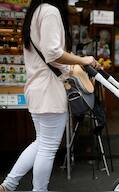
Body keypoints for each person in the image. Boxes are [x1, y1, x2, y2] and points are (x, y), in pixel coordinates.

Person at [0, 0, 100, 191]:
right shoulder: (51, 12)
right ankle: (38, 190)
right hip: (49, 90)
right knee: (47, 147)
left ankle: (9, 185)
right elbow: (53, 54)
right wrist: (82, 60)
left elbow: (48, 54)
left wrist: (72, 66)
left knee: (41, 142)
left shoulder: (36, 11)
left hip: (37, 87)